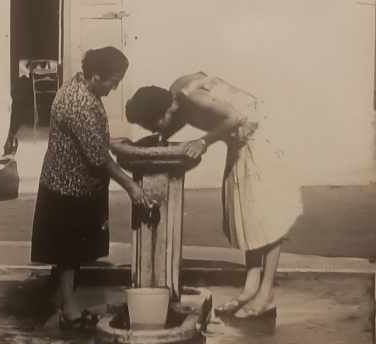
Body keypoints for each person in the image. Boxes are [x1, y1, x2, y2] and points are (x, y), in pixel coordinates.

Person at [125, 73, 302, 319]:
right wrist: (158, 139)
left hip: (261, 138)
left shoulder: (189, 95)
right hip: (240, 141)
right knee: (248, 216)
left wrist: (203, 141)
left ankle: (266, 292)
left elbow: (237, 116)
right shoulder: (175, 97)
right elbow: (179, 119)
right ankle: (251, 288)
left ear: (162, 113)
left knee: (268, 215)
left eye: (154, 125)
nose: (157, 129)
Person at [31, 47, 151, 329]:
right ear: (96, 76)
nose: (115, 87)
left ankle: (60, 300)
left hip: (68, 183)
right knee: (68, 253)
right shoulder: (79, 103)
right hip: (69, 187)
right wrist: (132, 187)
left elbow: (95, 139)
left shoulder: (77, 86)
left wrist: (116, 142)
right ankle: (70, 312)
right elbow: (98, 157)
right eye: (113, 81)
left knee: (68, 253)